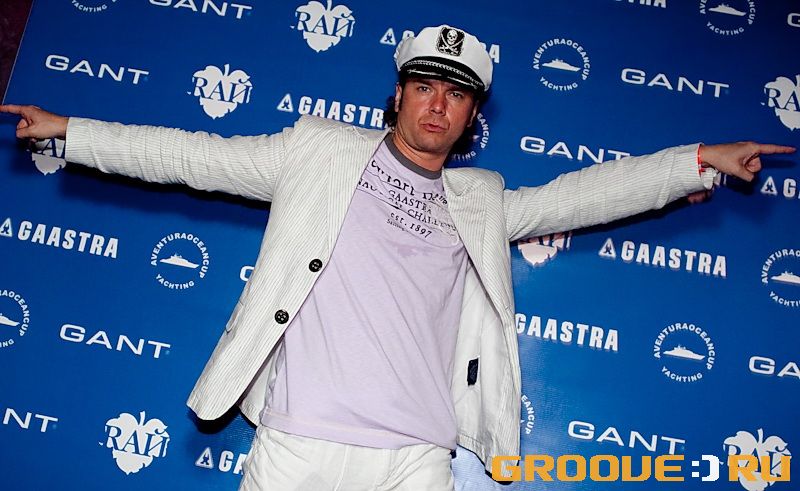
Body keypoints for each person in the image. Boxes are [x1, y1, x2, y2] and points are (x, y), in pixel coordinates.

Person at [0, 24, 794, 491]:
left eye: (457, 94)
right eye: (425, 86)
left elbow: (584, 195)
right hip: (297, 442)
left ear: (472, 113)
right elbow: (190, 155)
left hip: (415, 456)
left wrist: (695, 160)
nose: (438, 105)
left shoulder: (482, 198)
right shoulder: (316, 151)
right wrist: (73, 131)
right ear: (400, 94)